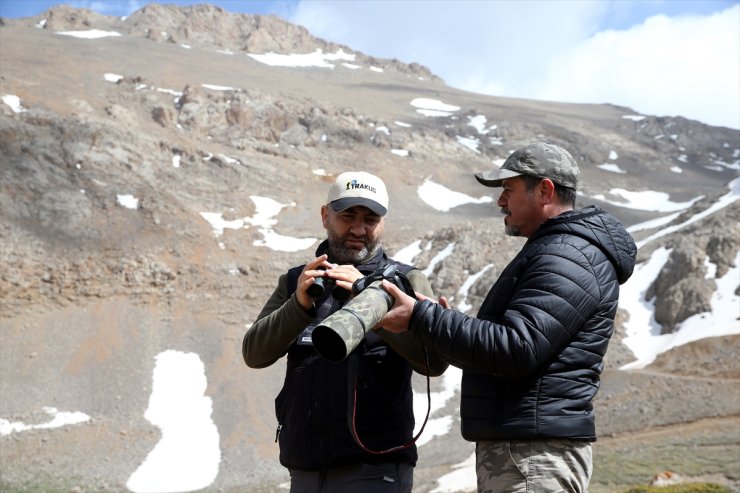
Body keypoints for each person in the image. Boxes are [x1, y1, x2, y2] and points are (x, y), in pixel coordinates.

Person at [378, 142, 637, 493]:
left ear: (545, 190)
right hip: (527, 451)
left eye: (509, 190)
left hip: (534, 456)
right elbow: (514, 344)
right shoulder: (561, 251)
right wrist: (437, 322)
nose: (500, 201)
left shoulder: (567, 256)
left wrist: (422, 318)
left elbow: (517, 348)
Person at [243, 171, 448, 493]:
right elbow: (254, 354)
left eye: (370, 219)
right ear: (326, 216)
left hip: (376, 467)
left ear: (383, 222)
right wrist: (298, 305)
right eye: (347, 216)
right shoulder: (298, 280)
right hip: (305, 467)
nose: (358, 229)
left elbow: (433, 364)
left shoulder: (406, 282)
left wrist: (371, 304)